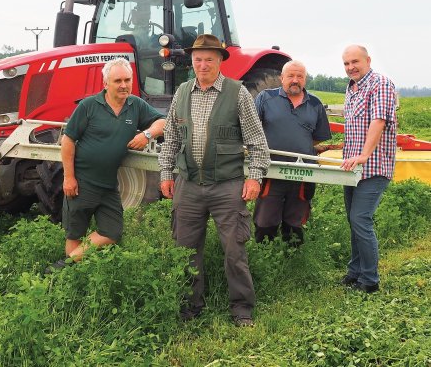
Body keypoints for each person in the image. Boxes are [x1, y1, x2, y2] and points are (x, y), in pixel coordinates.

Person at [158, 34, 270, 326]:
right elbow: (170, 137)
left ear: (220, 60)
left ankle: (242, 309)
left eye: (209, 58)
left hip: (227, 185)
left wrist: (255, 177)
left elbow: (257, 141)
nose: (203, 64)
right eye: (198, 59)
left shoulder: (238, 93)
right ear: (192, 62)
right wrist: (165, 174)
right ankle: (190, 306)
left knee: (234, 250)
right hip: (189, 184)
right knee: (185, 249)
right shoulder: (182, 92)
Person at [46, 58, 166, 272]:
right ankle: (72, 276)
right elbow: (68, 140)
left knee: (112, 232)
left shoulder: (135, 105)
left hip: (109, 185)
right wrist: (69, 177)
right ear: (105, 84)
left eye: (127, 80)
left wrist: (147, 134)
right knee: (75, 233)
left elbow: (163, 122)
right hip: (82, 181)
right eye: (117, 80)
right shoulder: (89, 106)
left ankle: (63, 266)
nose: (123, 85)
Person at [253, 60, 331, 246]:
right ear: (282, 78)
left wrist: (298, 146)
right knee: (265, 221)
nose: (295, 80)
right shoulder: (265, 98)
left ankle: (293, 260)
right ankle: (265, 256)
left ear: (305, 80)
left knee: (295, 221)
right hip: (271, 170)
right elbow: (253, 130)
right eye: (290, 76)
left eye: (300, 76)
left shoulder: (315, 104)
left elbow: (318, 137)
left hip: (302, 173)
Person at [339, 45, 397, 293]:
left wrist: (364, 154)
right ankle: (355, 272)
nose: (350, 67)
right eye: (346, 63)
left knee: (360, 219)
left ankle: (370, 280)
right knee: (354, 221)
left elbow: (379, 121)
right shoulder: (351, 88)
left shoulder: (380, 84)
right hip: (352, 168)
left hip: (373, 166)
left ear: (368, 60)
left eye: (355, 62)